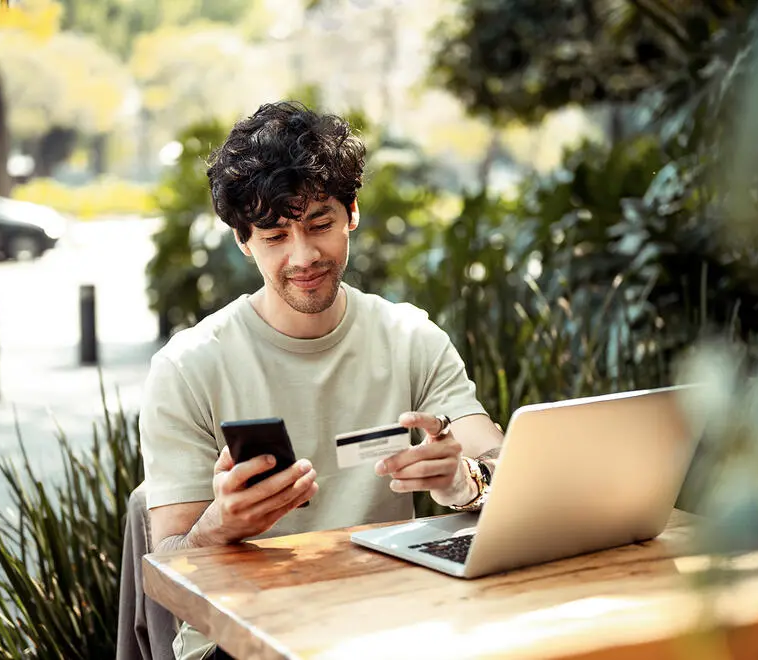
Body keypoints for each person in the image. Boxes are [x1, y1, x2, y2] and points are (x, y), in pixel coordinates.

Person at [139, 100, 504, 659]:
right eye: (274, 235)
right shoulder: (188, 366)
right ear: (243, 240)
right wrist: (220, 526)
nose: (303, 256)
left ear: (352, 214)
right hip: (244, 637)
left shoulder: (410, 338)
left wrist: (464, 480)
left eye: (319, 225)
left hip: (389, 618)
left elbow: (505, 470)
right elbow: (168, 559)